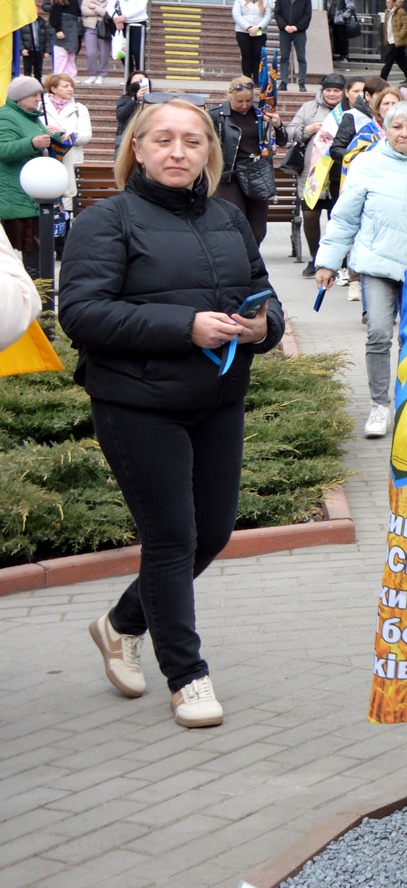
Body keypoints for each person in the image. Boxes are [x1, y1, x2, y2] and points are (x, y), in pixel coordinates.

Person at [64, 98, 285, 727]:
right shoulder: (106, 221)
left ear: (209, 154)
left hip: (218, 402)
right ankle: (186, 675)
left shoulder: (228, 219)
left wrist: (262, 326)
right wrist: (182, 326)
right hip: (138, 404)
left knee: (211, 533)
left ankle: (120, 624)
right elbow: (81, 313)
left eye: (192, 141)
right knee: (171, 538)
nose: (178, 152)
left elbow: (264, 295)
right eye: (163, 140)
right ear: (137, 148)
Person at [313, 99, 407, 436]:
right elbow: (344, 218)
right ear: (385, 129)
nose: (404, 133)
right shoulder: (367, 164)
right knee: (378, 332)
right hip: (376, 264)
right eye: (397, 127)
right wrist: (328, 262)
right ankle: (380, 406)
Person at [289, 74, 348, 273]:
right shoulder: (308, 108)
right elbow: (290, 132)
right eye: (328, 90)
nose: (332, 94)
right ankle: (316, 258)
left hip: (339, 173)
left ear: (343, 92)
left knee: (336, 218)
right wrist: (308, 130)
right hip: (313, 172)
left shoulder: (349, 111)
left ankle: (336, 261)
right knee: (310, 215)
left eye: (336, 90)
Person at [208, 78, 275, 248]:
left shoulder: (261, 113)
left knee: (258, 229)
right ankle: (240, 260)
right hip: (231, 175)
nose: (244, 105)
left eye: (248, 100)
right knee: (236, 222)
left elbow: (282, 140)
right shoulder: (217, 115)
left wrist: (277, 124)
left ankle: (251, 258)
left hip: (257, 172)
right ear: (230, 96)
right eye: (239, 101)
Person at [0, 77, 57, 258]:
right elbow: (3, 150)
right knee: (30, 253)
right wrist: (32, 143)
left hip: (31, 194)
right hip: (15, 197)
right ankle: (36, 286)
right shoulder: (6, 117)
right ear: (20, 97)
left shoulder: (30, 116)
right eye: (33, 95)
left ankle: (40, 286)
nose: (38, 99)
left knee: (37, 252)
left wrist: (57, 138)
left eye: (39, 94)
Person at [41, 74, 92, 211]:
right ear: (53, 88)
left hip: (71, 159)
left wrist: (63, 132)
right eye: (65, 86)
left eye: (71, 86)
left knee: (67, 203)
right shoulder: (40, 107)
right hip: (48, 158)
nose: (70, 89)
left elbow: (86, 135)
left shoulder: (80, 109)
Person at [273, 0, 313, 89]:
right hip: (285, 31)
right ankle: (284, 82)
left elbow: (307, 14)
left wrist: (297, 26)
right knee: (284, 57)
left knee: (301, 57)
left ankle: (301, 82)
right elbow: (277, 13)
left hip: (299, 32)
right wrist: (284, 26)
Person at [108, 0, 149, 76]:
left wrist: (125, 16)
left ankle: (140, 76)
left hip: (138, 23)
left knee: (137, 51)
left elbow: (141, 6)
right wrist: (116, 17)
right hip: (122, 24)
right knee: (124, 51)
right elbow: (110, 5)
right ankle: (129, 75)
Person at [231, 0, 270, 80]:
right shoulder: (239, 1)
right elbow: (237, 15)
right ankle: (247, 79)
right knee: (246, 56)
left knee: (258, 56)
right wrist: (248, 27)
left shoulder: (264, 2)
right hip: (243, 32)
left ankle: (257, 79)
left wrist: (258, 27)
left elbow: (267, 16)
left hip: (260, 32)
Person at [43, 0, 82, 78]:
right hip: (62, 28)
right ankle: (59, 76)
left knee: (71, 55)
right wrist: (58, 30)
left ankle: (70, 77)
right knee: (61, 55)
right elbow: (54, 16)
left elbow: (78, 14)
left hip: (72, 28)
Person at [378, 0, 407, 83]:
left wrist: (400, 35)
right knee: (401, 61)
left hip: (398, 42)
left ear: (394, 3)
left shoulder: (400, 11)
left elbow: (406, 24)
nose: (386, 4)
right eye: (386, 2)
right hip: (391, 40)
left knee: (389, 60)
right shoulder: (387, 12)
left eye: (388, 2)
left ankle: (382, 79)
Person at [80, 0, 112, 84]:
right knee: (90, 53)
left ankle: (102, 75)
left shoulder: (110, 0)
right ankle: (92, 74)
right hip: (90, 28)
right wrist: (100, 11)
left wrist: (95, 7)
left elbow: (108, 13)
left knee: (104, 53)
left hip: (104, 29)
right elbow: (84, 11)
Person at [326, 0, 359, 66]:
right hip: (334, 21)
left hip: (341, 22)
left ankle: (344, 55)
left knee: (342, 38)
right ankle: (339, 54)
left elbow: (351, 8)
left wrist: (343, 17)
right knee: (337, 38)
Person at [114, 73, 153, 145]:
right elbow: (121, 116)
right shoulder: (125, 99)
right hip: (126, 139)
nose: (139, 85)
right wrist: (134, 100)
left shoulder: (153, 100)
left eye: (141, 82)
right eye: (136, 83)